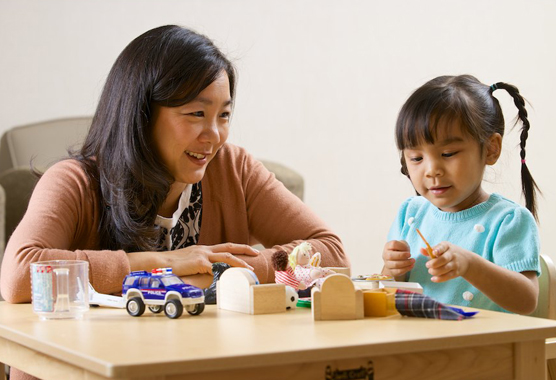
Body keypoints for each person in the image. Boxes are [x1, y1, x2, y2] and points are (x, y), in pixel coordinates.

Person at [0, 25, 348, 304]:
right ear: (142, 114)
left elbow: (332, 253)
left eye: (223, 115)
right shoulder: (74, 181)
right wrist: (163, 264)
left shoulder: (233, 168)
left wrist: (223, 269)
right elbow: (18, 276)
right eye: (196, 114)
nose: (214, 135)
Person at [381, 74, 540, 314]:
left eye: (448, 153)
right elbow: (389, 292)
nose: (432, 170)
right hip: (419, 345)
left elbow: (526, 301)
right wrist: (392, 270)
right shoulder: (410, 212)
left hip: (482, 349)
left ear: (490, 149)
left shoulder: (508, 220)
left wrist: (471, 265)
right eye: (416, 158)